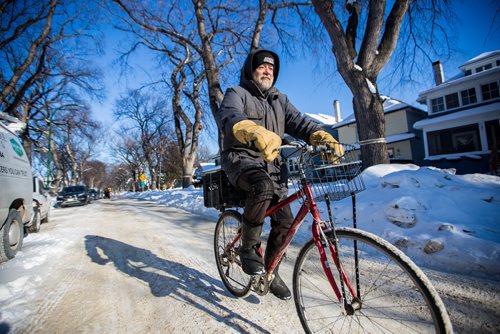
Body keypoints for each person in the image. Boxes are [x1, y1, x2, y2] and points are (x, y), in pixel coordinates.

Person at [215, 48, 344, 300]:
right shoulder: (237, 93)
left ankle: (271, 272)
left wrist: (320, 135)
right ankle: (248, 249)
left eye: (272, 68)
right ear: (251, 69)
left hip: (272, 167)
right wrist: (250, 129)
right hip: (241, 161)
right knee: (262, 187)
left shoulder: (279, 99)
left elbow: (299, 122)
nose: (267, 71)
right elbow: (229, 115)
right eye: (262, 67)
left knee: (285, 220)